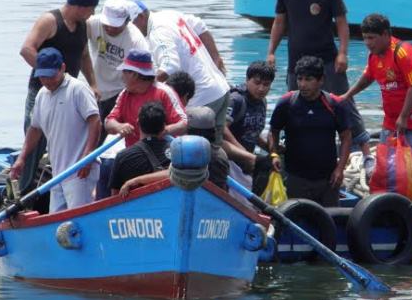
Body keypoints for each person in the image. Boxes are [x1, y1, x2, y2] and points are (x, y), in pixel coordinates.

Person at [265, 0, 371, 158]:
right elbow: (279, 22)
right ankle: (292, 149)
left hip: (327, 59)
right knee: (294, 103)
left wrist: (343, 53)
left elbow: (341, 22)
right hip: (296, 61)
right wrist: (271, 51)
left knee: (344, 101)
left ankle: (364, 150)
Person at [17, 0, 100, 194]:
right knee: (35, 138)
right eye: (91, 9)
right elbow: (26, 49)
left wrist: (92, 83)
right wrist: (51, 76)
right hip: (42, 90)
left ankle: (62, 182)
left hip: (69, 93)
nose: (92, 14)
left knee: (67, 139)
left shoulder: (83, 26)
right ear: (80, 6)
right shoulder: (50, 21)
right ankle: (22, 191)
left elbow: (84, 56)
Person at [341, 14, 412, 187]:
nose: (367, 43)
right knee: (387, 165)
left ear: (385, 34)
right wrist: (347, 95)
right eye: (365, 38)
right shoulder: (374, 55)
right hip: (391, 121)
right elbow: (368, 77)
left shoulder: (403, 53)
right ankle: (393, 195)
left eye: (372, 38)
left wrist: (404, 116)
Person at [10, 48, 101, 213]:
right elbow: (35, 129)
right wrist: (22, 158)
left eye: (51, 76)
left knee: (77, 218)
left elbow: (95, 121)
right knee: (56, 218)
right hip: (57, 172)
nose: (47, 81)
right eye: (43, 76)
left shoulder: (77, 89)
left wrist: (87, 157)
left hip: (79, 171)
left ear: (62, 68)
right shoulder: (42, 94)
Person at [129, 1, 229, 144]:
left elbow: (170, 66)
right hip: (220, 89)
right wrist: (216, 57)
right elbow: (200, 25)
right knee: (214, 147)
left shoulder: (157, 33)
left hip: (201, 99)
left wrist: (144, 89)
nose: (132, 30)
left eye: (132, 24)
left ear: (141, 16)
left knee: (191, 149)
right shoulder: (169, 15)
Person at [270, 56, 351, 207]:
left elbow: (346, 137)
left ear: (321, 80)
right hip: (295, 177)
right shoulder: (286, 103)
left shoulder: (335, 104)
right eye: (299, 79)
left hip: (328, 180)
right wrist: (274, 154)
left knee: (329, 218)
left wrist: (340, 169)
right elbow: (273, 131)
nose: (302, 84)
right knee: (295, 217)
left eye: (308, 79)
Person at [119, 106, 230, 196]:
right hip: (214, 204)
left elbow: (173, 174)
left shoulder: (185, 150)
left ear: (189, 129)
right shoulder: (222, 154)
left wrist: (137, 180)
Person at [87, 0, 150, 146]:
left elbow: (146, 76)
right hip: (96, 90)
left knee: (110, 135)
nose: (109, 28)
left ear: (127, 21)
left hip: (120, 92)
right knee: (90, 137)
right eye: (107, 24)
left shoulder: (136, 41)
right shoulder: (93, 24)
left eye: (115, 26)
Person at [104, 49, 187, 148]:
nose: (122, 76)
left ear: (135, 75)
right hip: (135, 152)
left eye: (124, 71)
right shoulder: (125, 94)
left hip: (163, 151)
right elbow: (108, 122)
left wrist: (163, 131)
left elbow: (183, 124)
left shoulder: (164, 92)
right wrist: (119, 127)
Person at [223, 61, 275, 195]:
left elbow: (252, 132)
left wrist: (271, 149)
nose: (261, 88)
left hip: (247, 158)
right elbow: (222, 128)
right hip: (230, 158)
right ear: (247, 80)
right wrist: (242, 151)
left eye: (266, 85)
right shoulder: (236, 100)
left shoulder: (262, 102)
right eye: (257, 83)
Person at [111, 102, 171, 196]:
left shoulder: (122, 157)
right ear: (164, 126)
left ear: (138, 122)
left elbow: (115, 197)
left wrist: (137, 180)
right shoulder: (178, 151)